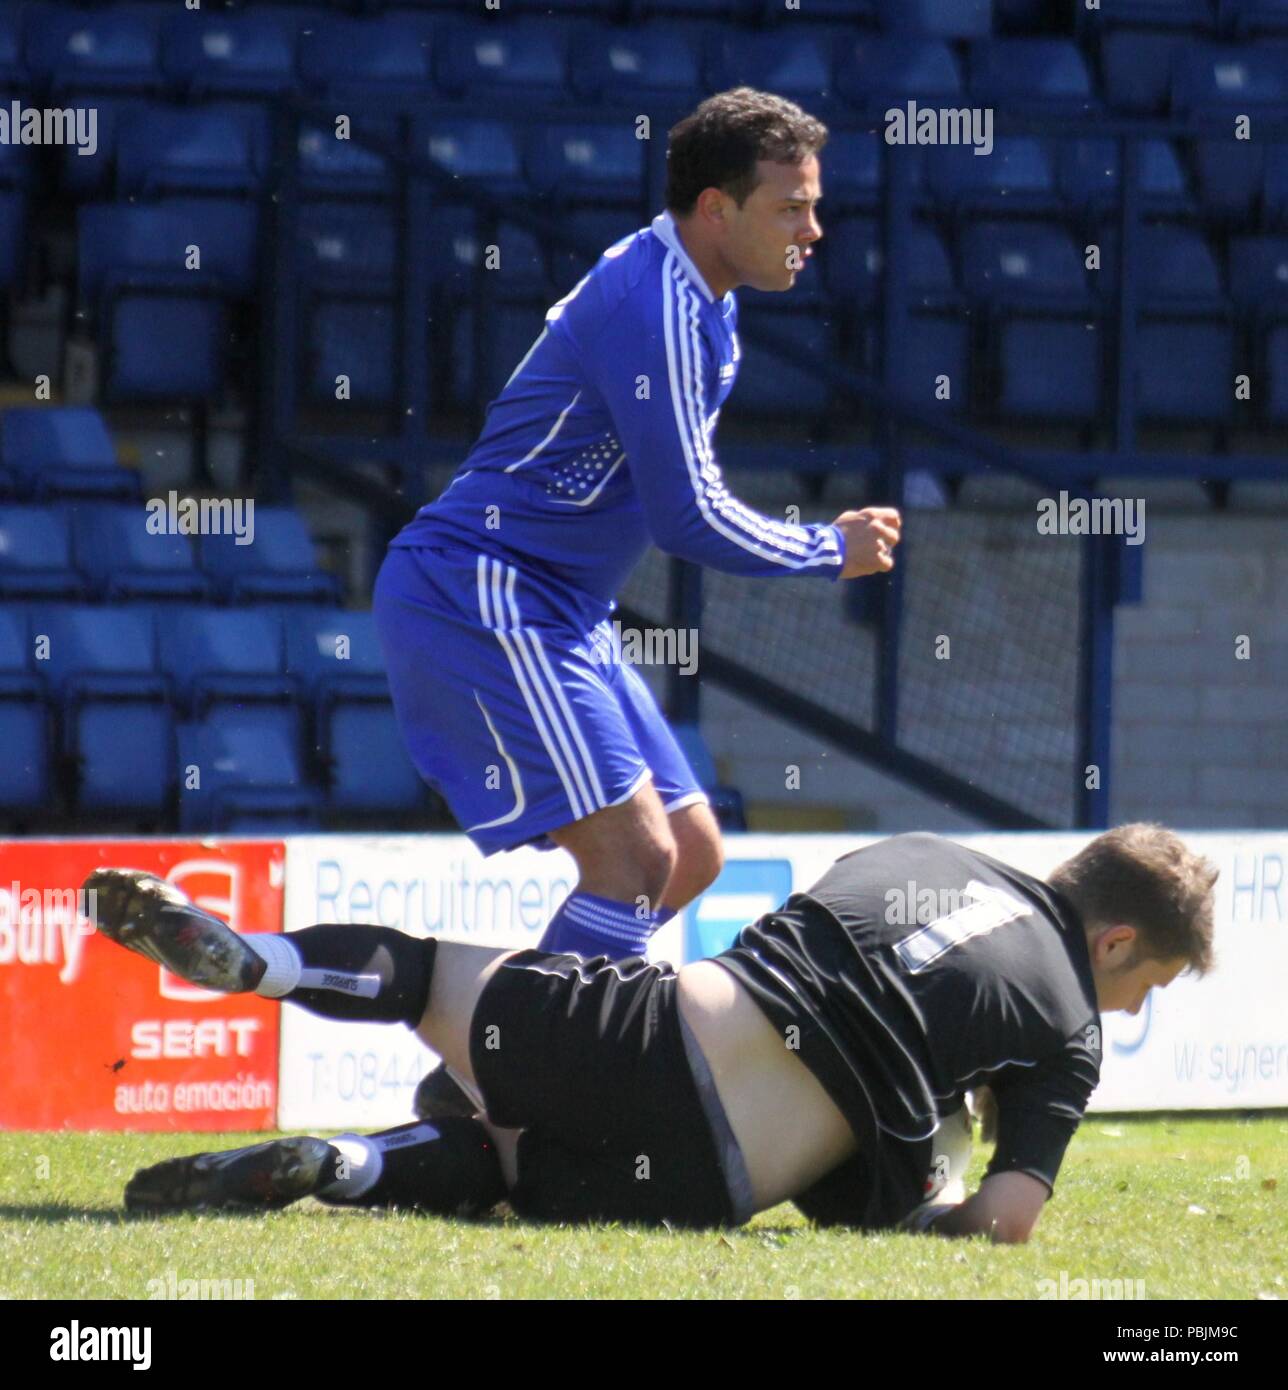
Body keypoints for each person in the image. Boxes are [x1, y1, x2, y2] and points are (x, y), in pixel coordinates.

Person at [368, 86, 901, 1115]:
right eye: (790, 205)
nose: (814, 228)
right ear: (716, 208)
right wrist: (822, 548)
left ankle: (482, 1081)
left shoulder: (700, 295)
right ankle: (520, 1097)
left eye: (813, 203)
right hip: (485, 589)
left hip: (556, 604)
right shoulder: (656, 302)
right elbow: (688, 516)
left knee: (688, 855)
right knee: (634, 857)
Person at [88, 823, 1216, 1242]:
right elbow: (1007, 1223)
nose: (1131, 1009)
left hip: (647, 1027)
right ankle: (344, 1167)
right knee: (507, 1168)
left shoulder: (920, 853)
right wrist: (932, 1175)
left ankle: (265, 960)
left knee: (432, 976)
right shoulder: (1067, 1029)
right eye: (1147, 981)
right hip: (696, 1177)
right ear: (1113, 941)